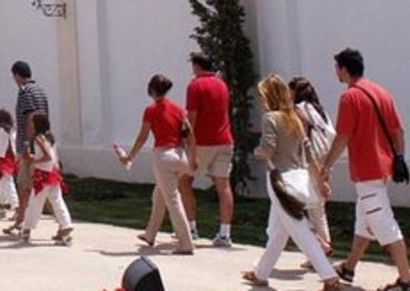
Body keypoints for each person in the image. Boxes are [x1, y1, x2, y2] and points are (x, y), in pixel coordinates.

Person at [319, 48, 410, 290]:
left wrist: (326, 165)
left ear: (343, 69)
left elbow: (342, 137)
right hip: (384, 168)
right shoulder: (381, 92)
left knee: (384, 225)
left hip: (367, 169)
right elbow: (398, 131)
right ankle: (349, 267)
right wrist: (399, 157)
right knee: (365, 221)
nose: (335, 73)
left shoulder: (350, 97)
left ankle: (406, 281)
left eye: (336, 68)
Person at [241, 75, 340, 290]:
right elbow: (308, 151)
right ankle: (261, 272)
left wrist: (256, 151)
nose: (260, 100)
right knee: (279, 230)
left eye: (262, 95)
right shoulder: (294, 117)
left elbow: (268, 148)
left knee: (298, 228)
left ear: (268, 96)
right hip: (298, 177)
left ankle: (329, 276)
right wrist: (320, 179)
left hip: (279, 180)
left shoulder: (270, 118)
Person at [115, 73, 195, 255]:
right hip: (180, 155)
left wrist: (129, 157)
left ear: (151, 89)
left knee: (172, 199)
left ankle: (185, 242)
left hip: (163, 156)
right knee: (159, 194)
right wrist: (193, 157)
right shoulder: (178, 108)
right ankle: (150, 234)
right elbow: (188, 132)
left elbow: (143, 137)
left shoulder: (151, 110)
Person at [179, 52, 234, 247]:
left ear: (197, 66)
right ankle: (225, 233)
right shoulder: (221, 84)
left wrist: (187, 141)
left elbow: (191, 116)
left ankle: (191, 228)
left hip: (202, 141)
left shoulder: (195, 85)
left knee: (184, 181)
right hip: (224, 139)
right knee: (223, 185)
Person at [290, 75, 336, 252]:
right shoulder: (319, 110)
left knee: (294, 207)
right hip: (324, 156)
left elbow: (301, 138)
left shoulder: (298, 110)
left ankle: (320, 246)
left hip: (308, 160)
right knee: (318, 209)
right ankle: (323, 245)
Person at [7, 60, 49, 234]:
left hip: (31, 143)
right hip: (43, 140)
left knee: (24, 184)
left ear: (17, 75)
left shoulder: (25, 92)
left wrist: (27, 143)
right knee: (45, 183)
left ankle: (21, 220)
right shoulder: (41, 91)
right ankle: (25, 218)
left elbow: (30, 117)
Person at [19, 112, 73, 245]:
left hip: (43, 175)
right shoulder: (50, 137)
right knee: (57, 200)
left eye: (32, 122)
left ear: (37, 124)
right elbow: (51, 156)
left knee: (35, 202)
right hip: (52, 174)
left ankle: (27, 229)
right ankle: (66, 226)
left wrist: (35, 161)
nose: (30, 125)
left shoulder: (39, 138)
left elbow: (47, 156)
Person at [0, 108, 19, 218]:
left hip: (2, 156)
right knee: (2, 181)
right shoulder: (12, 129)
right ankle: (2, 207)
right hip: (11, 156)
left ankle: (16, 206)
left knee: (5, 181)